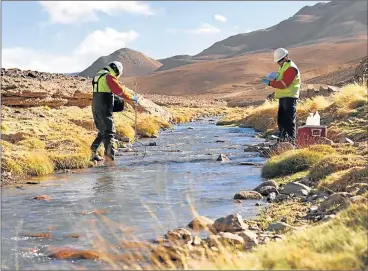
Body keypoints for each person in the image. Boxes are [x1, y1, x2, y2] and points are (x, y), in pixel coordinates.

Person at [90, 61, 143, 163]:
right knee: (109, 132)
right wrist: (131, 98)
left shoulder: (98, 75)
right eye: (118, 74)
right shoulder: (109, 76)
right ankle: (110, 160)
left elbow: (106, 91)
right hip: (104, 107)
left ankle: (92, 154)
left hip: (96, 107)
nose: (117, 76)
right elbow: (119, 91)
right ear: (116, 70)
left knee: (102, 132)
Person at [262, 48, 301, 144]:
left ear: (286, 57)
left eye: (280, 60)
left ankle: (292, 142)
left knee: (289, 120)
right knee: (281, 120)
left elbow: (284, 84)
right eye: (277, 61)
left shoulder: (291, 68)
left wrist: (271, 83)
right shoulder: (282, 67)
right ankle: (283, 140)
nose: (278, 63)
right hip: (283, 97)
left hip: (290, 96)